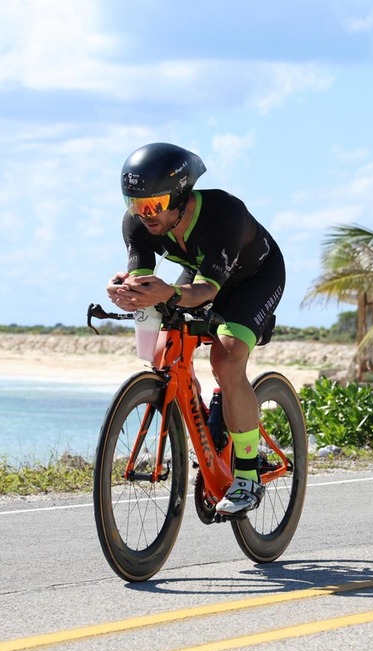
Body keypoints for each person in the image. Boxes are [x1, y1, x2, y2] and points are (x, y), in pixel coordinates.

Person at [106, 142, 285, 515]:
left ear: (181, 196)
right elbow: (143, 276)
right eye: (134, 205)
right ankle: (206, 427)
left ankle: (248, 476)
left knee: (227, 355)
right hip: (204, 272)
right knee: (163, 352)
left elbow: (205, 291)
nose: (144, 216)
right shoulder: (138, 225)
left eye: (153, 205)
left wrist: (170, 291)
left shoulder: (224, 214)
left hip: (254, 279)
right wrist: (126, 290)